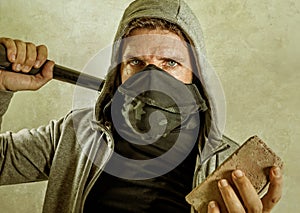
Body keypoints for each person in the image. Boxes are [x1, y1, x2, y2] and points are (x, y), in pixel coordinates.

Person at [0, 0, 283, 213]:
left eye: (170, 63)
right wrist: (0, 88)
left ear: (195, 75)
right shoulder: (75, 134)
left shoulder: (227, 166)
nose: (152, 80)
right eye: (136, 62)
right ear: (118, 73)